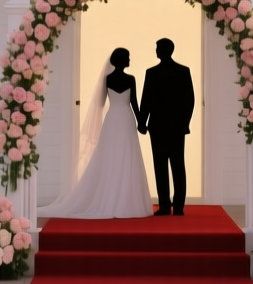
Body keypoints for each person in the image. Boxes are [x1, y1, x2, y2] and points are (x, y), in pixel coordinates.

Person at [37, 47, 152, 219]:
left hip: (112, 119)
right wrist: (142, 123)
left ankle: (110, 197)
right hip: (126, 119)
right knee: (127, 156)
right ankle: (126, 200)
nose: (129, 60)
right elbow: (134, 103)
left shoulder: (108, 79)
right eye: (127, 57)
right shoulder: (130, 79)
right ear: (121, 60)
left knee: (110, 156)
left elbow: (99, 104)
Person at [137, 37, 194, 216]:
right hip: (175, 126)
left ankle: (164, 205)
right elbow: (189, 101)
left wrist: (142, 122)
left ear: (164, 50)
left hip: (158, 125)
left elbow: (145, 100)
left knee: (161, 166)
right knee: (178, 165)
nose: (156, 50)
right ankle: (178, 206)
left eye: (157, 48)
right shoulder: (183, 71)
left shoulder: (152, 73)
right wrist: (185, 123)